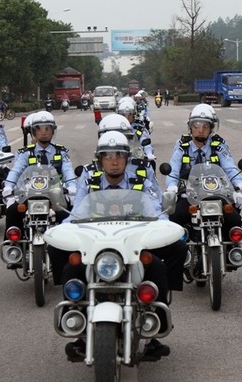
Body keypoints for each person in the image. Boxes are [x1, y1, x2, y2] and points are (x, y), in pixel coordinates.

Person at [57, 131, 186, 359]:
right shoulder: (89, 183)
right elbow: (76, 213)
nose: (114, 161)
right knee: (71, 267)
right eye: (108, 156)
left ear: (127, 159)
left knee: (157, 266)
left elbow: (156, 211)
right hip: (97, 247)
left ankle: (156, 327)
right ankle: (77, 325)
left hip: (133, 246)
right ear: (100, 160)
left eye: (119, 156)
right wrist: (63, 229)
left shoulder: (141, 182)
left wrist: (163, 226)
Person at [2, 111, 77, 262]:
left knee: (69, 216)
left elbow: (68, 171)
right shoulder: (25, 153)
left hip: (55, 196)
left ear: (52, 131)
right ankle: (14, 246)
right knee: (12, 211)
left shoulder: (61, 152)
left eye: (47, 128)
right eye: (40, 129)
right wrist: (8, 187)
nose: (44, 132)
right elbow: (16, 171)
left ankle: (69, 252)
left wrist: (72, 187)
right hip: (29, 194)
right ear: (34, 132)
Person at [165, 104, 242, 241]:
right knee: (175, 217)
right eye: (196, 126)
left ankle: (230, 251)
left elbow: (229, 167)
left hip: (217, 194)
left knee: (234, 218)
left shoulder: (219, 145)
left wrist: (239, 183)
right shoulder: (182, 146)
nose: (200, 130)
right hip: (189, 195)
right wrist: (171, 186)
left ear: (211, 128)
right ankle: (183, 253)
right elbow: (173, 169)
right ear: (190, 127)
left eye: (205, 126)